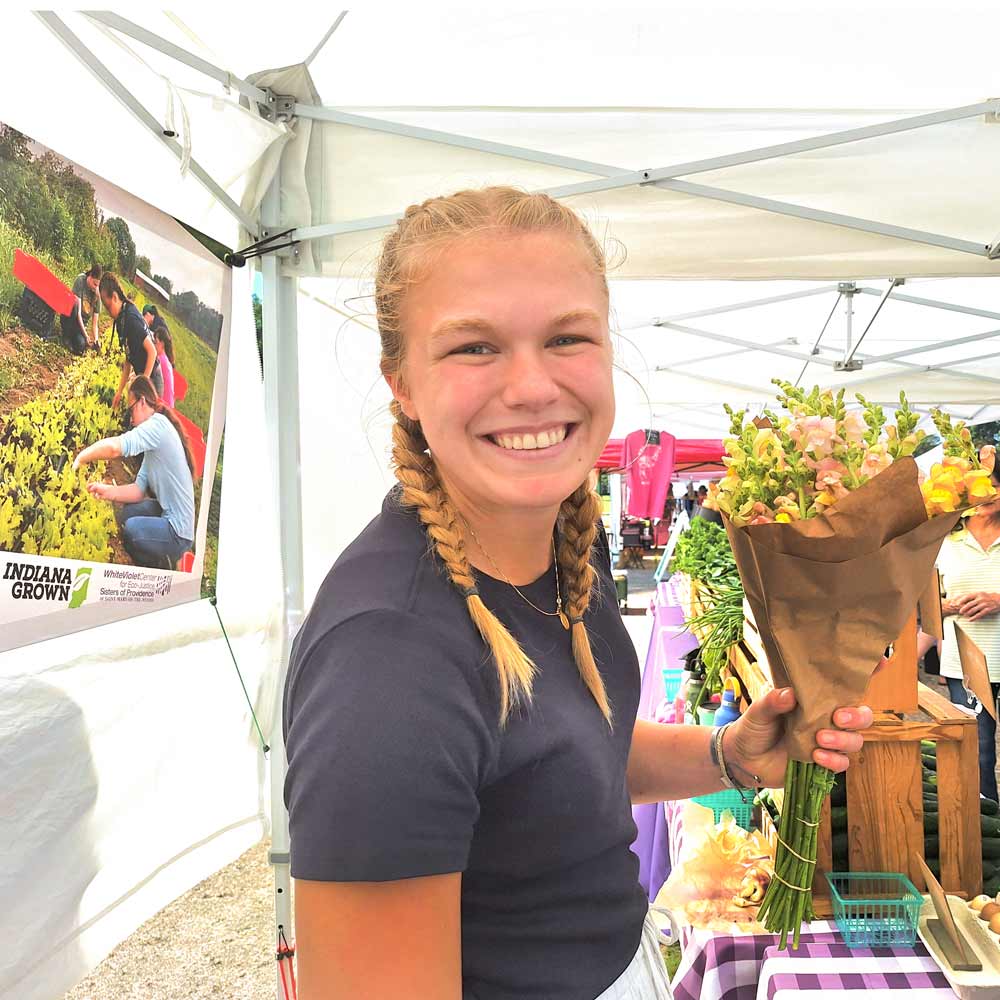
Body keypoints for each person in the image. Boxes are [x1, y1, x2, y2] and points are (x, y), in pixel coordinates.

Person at [282, 187, 873, 1000]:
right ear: (403, 384)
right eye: (473, 348)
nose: (531, 386)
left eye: (566, 338)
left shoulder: (563, 548)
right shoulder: (387, 662)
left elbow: (565, 755)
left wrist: (729, 755)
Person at [72, 375, 194, 569]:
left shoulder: (157, 426)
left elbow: (115, 448)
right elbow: (138, 490)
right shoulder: (154, 440)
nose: (131, 418)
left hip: (178, 532)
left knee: (132, 531)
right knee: (127, 513)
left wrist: (81, 457)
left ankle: (162, 565)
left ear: (142, 401)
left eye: (131, 409)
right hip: (166, 512)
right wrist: (106, 491)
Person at [939, 458, 1000, 802]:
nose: (987, 493)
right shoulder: (945, 538)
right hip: (964, 666)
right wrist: (946, 606)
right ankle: (987, 828)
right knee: (978, 754)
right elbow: (920, 600)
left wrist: (997, 599)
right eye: (979, 486)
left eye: (995, 484)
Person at [99, 273, 163, 404]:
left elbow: (152, 351)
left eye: (107, 306)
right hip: (143, 375)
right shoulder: (121, 319)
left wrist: (142, 385)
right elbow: (128, 359)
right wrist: (119, 391)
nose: (107, 311)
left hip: (152, 381)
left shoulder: (131, 318)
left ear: (115, 297)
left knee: (138, 420)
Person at [71, 263, 102, 349]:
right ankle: (67, 335)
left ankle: (75, 337)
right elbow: (78, 313)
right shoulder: (81, 280)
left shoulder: (97, 294)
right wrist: (86, 335)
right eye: (94, 284)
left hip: (81, 326)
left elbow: (95, 323)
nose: (96, 288)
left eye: (98, 286)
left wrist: (96, 339)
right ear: (90, 276)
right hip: (72, 318)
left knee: (81, 345)